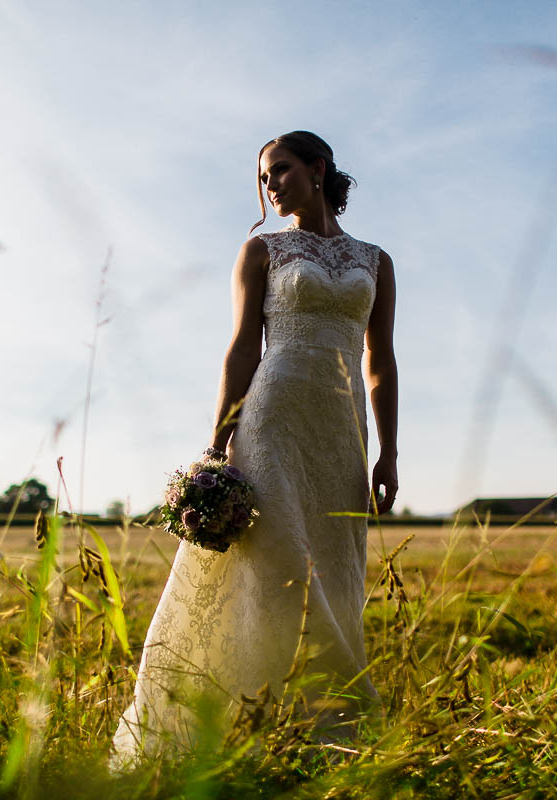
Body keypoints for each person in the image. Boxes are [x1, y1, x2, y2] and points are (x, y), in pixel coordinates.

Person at [110, 130, 398, 767]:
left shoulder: (376, 261)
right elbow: (242, 347)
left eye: (281, 170)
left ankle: (319, 722)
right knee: (277, 564)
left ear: (318, 169)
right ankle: (251, 722)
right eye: (265, 178)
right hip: (271, 417)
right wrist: (216, 444)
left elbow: (382, 362)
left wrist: (390, 452)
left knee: (334, 566)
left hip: (341, 431)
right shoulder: (261, 251)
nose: (271, 186)